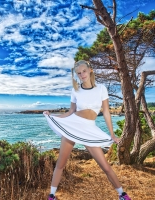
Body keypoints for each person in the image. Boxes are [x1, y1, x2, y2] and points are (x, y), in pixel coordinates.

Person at [43, 60, 131, 200]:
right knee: (61, 163)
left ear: (90, 70)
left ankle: (122, 194)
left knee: (105, 166)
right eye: (78, 73)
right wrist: (53, 116)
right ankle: (52, 195)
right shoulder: (75, 90)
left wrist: (112, 134)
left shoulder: (101, 88)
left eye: (84, 71)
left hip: (89, 129)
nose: (82, 74)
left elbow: (106, 112)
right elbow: (71, 111)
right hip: (73, 126)